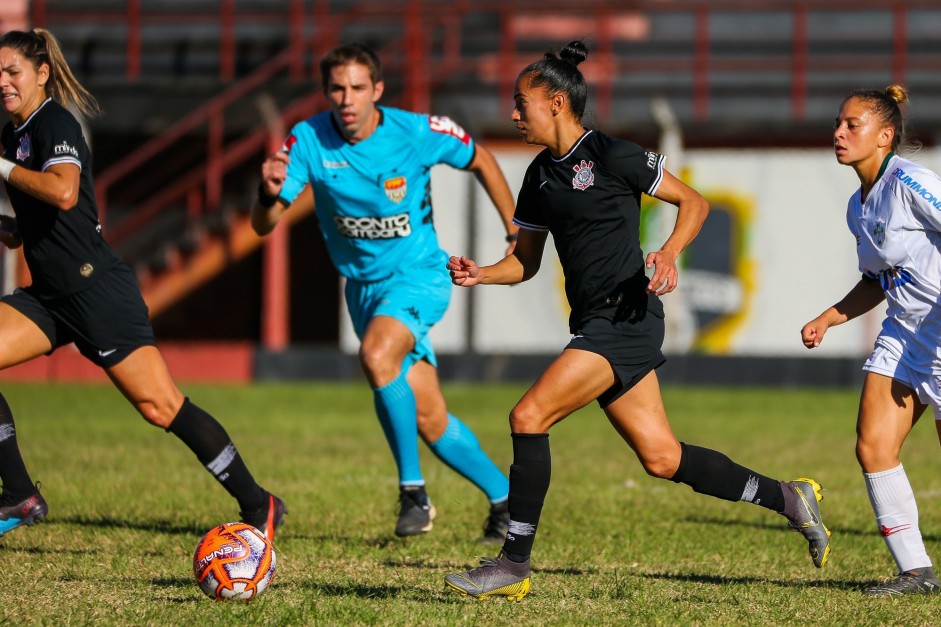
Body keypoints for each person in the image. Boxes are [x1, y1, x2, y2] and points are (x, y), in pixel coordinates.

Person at [443, 41, 831, 601]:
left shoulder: (611, 154)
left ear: (556, 102)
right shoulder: (537, 178)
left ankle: (513, 563)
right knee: (662, 457)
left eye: (519, 102)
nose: (512, 113)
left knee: (529, 416)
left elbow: (693, 203)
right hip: (597, 324)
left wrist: (669, 252)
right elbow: (525, 264)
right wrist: (480, 273)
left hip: (626, 318)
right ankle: (790, 498)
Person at [0, 29, 285, 543]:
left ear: (41, 74)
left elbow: (64, 193)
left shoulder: (55, 122)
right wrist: (8, 226)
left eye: (12, 72)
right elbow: (39, 223)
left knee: (162, 408)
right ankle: (19, 494)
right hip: (48, 296)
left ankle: (258, 502)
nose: (2, 82)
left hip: (95, 293)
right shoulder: (13, 135)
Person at [251, 43, 516, 541]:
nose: (346, 99)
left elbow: (480, 158)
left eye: (356, 88)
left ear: (377, 90)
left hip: (421, 276)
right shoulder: (308, 139)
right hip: (364, 291)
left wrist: (514, 230)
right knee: (430, 418)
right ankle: (506, 502)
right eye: (336, 88)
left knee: (376, 356)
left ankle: (413, 493)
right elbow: (264, 226)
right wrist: (267, 195)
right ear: (326, 92)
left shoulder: (415, 131)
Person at [801, 86, 941, 596]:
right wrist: (829, 317)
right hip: (904, 333)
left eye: (852, 125)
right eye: (838, 123)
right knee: (873, 445)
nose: (838, 132)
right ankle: (916, 571)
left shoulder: (910, 180)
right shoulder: (857, 206)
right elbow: (876, 280)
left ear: (885, 136)